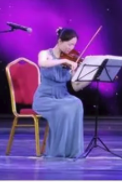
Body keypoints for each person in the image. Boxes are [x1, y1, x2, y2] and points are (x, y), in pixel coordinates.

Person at [33, 27, 90, 158]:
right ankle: (57, 151)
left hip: (62, 95)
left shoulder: (72, 60)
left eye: (74, 45)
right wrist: (64, 60)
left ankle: (71, 151)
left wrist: (90, 77)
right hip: (45, 97)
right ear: (59, 41)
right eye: (69, 44)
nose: (72, 48)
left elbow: (76, 87)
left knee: (77, 103)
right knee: (64, 108)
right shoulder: (45, 54)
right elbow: (42, 63)